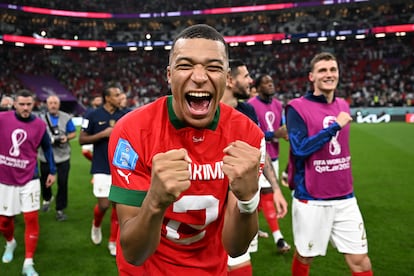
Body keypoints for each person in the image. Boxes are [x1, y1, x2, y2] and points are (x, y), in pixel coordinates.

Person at [108, 24, 266, 275]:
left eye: (213, 67)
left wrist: (248, 200)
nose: (200, 77)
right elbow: (134, 253)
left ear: (227, 78)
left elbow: (235, 249)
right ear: (169, 75)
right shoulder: (132, 131)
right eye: (185, 65)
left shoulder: (248, 135)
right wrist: (155, 201)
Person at [286, 52, 373, 276]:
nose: (329, 74)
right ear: (311, 76)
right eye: (323, 70)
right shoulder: (296, 107)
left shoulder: (343, 104)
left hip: (345, 197)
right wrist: (333, 127)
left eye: (333, 70)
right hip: (312, 198)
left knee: (360, 260)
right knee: (306, 256)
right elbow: (299, 148)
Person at [222, 59, 289, 276]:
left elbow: (260, 151)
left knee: (241, 264)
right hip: (208, 209)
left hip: (238, 206)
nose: (251, 81)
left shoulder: (248, 111)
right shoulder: (204, 112)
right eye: (246, 76)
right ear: (230, 80)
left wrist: (276, 189)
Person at [0, 89, 56, 276]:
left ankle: (28, 262)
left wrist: (52, 171)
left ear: (34, 105)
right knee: (4, 222)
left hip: (30, 178)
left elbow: (47, 149)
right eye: (21, 104)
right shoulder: (3, 119)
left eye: (28, 104)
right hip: (4, 178)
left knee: (31, 218)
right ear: (14, 104)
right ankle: (10, 243)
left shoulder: (39, 126)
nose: (25, 108)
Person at [79, 82, 128, 257]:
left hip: (121, 167)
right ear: (107, 98)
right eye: (116, 94)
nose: (120, 97)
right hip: (100, 166)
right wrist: (103, 134)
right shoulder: (92, 115)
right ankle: (96, 224)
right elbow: (82, 140)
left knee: (118, 206)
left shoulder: (126, 115)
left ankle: (113, 240)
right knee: (104, 204)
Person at [248, 74, 291, 253]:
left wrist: (286, 133)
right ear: (257, 88)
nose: (270, 84)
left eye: (271, 81)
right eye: (265, 82)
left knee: (258, 197)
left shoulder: (278, 105)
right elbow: (253, 134)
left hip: (273, 157)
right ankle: (278, 238)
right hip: (256, 157)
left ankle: (253, 229)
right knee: (264, 194)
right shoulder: (251, 106)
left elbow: (281, 126)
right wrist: (275, 135)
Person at [38, 95, 77, 221]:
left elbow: (73, 133)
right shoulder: (40, 118)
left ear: (59, 104)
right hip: (45, 157)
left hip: (63, 156)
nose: (53, 105)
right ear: (47, 104)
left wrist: (66, 138)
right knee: (44, 182)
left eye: (55, 103)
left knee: (63, 183)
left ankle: (60, 209)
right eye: (51, 103)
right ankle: (47, 198)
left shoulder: (66, 117)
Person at [81, 95, 103, 161]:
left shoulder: (104, 111)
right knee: (85, 151)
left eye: (100, 100)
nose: (99, 102)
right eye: (97, 100)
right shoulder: (89, 112)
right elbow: (84, 122)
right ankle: (95, 161)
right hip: (91, 136)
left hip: (102, 136)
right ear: (93, 102)